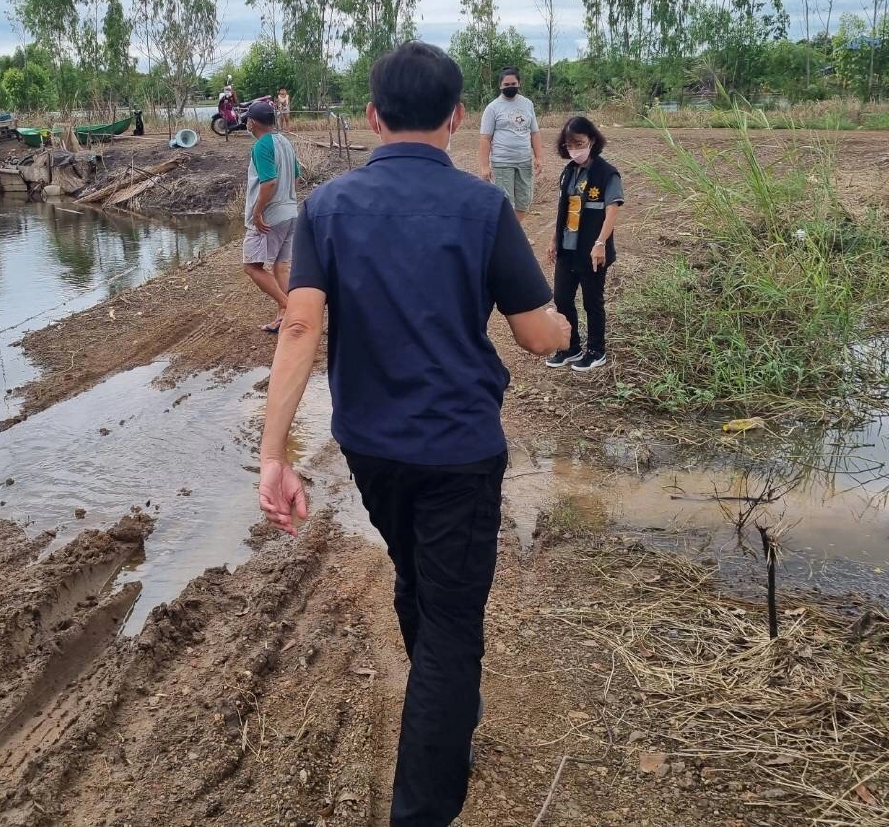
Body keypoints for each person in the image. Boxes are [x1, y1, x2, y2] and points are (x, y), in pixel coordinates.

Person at [258, 42, 571, 827]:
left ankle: (443, 720)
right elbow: (538, 337)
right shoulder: (481, 207)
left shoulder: (329, 207)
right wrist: (566, 326)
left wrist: (274, 455)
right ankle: (424, 803)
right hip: (459, 451)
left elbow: (299, 325)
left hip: (372, 447)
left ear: (372, 117)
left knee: (416, 576)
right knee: (453, 630)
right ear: (459, 117)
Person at [544, 115, 624, 372]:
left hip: (591, 251)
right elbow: (563, 209)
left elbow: (612, 210)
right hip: (568, 248)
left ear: (591, 140)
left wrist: (600, 243)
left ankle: (596, 351)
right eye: (569, 144)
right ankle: (570, 347)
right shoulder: (569, 172)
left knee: (592, 302)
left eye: (579, 143)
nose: (574, 149)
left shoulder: (606, 173)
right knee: (562, 298)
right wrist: (554, 240)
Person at [242, 99, 301, 334]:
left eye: (247, 119)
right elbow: (296, 175)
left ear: (253, 122)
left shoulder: (261, 146)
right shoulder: (284, 141)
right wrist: (288, 199)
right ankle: (285, 315)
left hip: (271, 216)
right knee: (280, 266)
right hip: (290, 211)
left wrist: (257, 213)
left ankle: (287, 305)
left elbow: (269, 182)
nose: (246, 123)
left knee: (251, 266)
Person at [478, 67, 542, 223]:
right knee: (505, 203)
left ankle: (515, 234)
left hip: (524, 162)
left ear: (519, 83)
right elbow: (485, 138)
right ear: (500, 86)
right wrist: (484, 166)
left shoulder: (528, 104)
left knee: (523, 202)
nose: (510, 87)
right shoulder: (493, 108)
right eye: (506, 84)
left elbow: (534, 133)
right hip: (502, 162)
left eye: (513, 83)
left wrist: (539, 157)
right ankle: (508, 238)